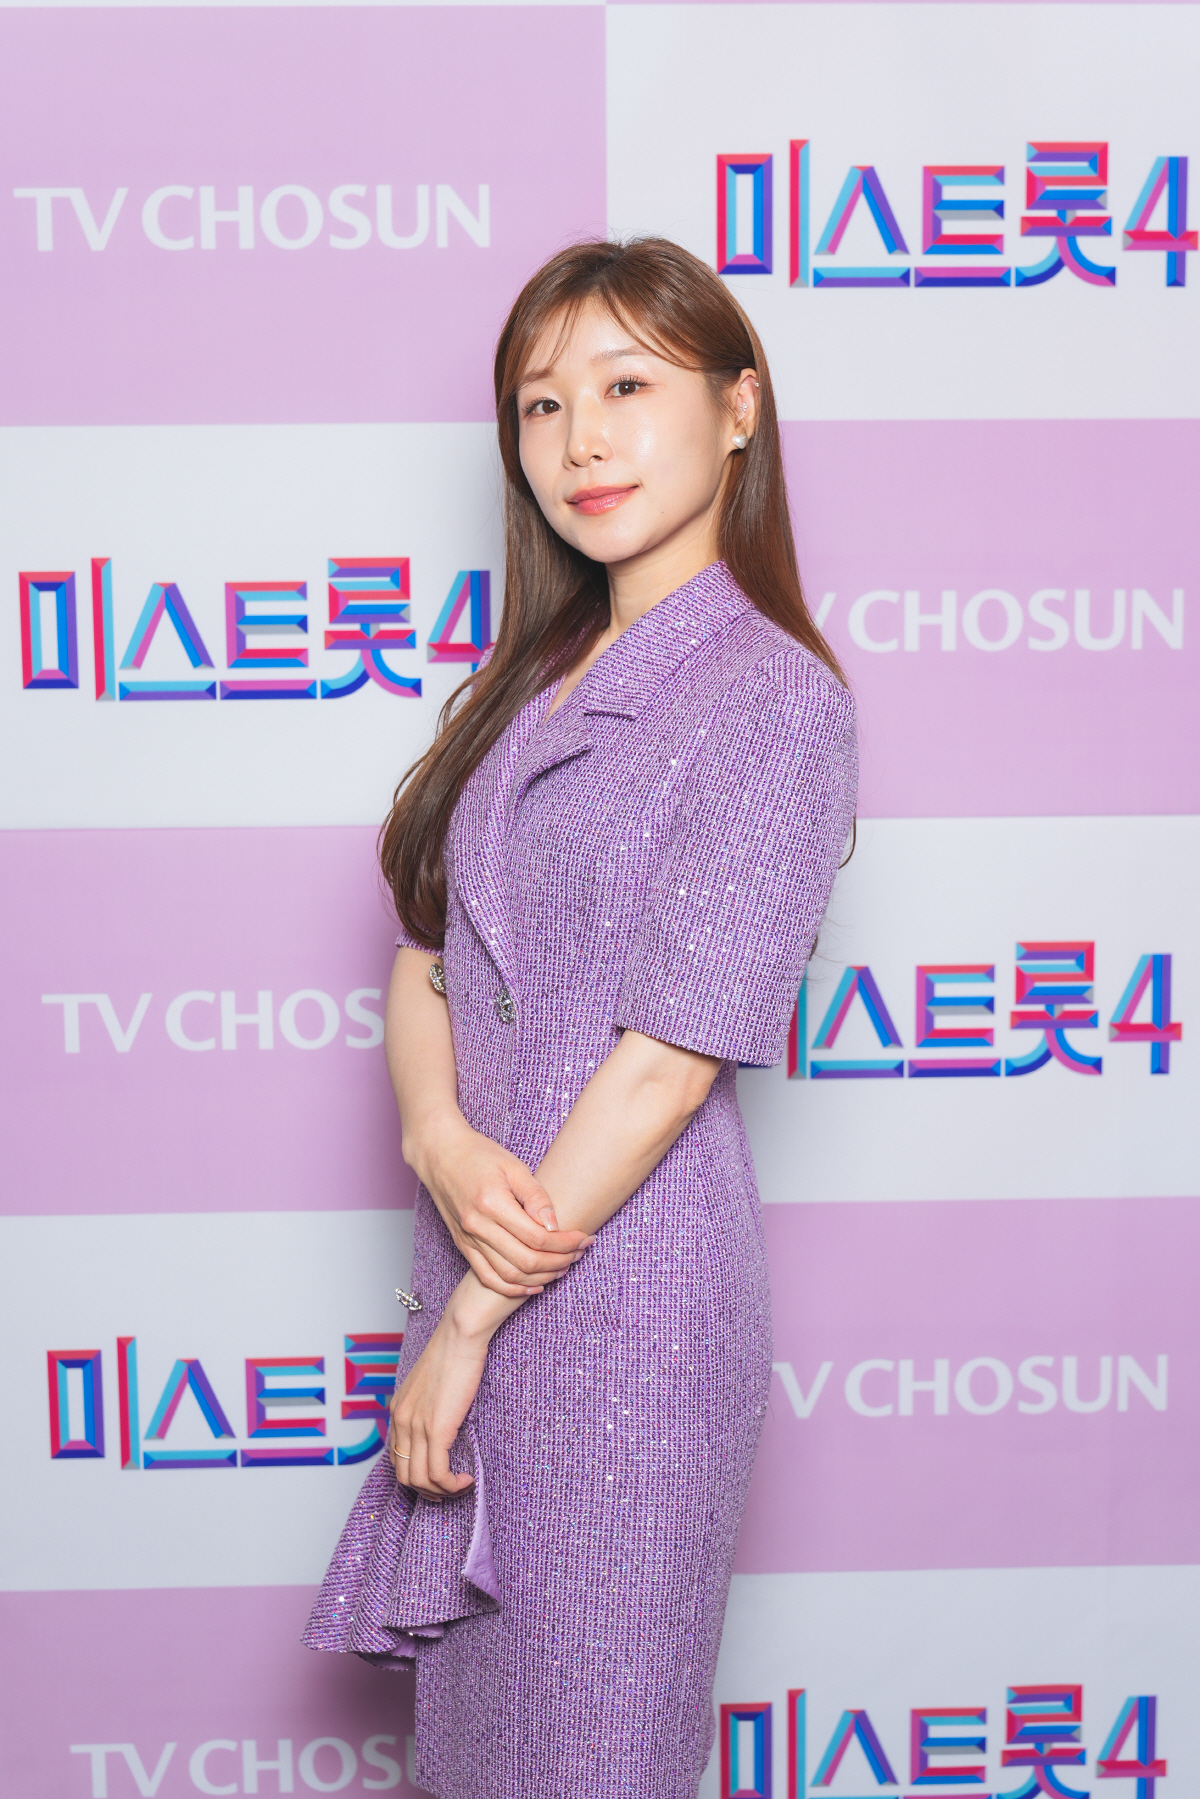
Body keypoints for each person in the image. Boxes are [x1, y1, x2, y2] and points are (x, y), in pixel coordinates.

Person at [304, 237, 857, 1799]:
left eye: (626, 387)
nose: (581, 441)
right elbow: (428, 950)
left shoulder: (771, 697)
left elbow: (670, 1060)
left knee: (595, 1754)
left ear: (738, 407)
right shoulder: (535, 677)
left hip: (622, 1308)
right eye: (541, 406)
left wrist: (470, 1324)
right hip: (488, 1256)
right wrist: (435, 1135)